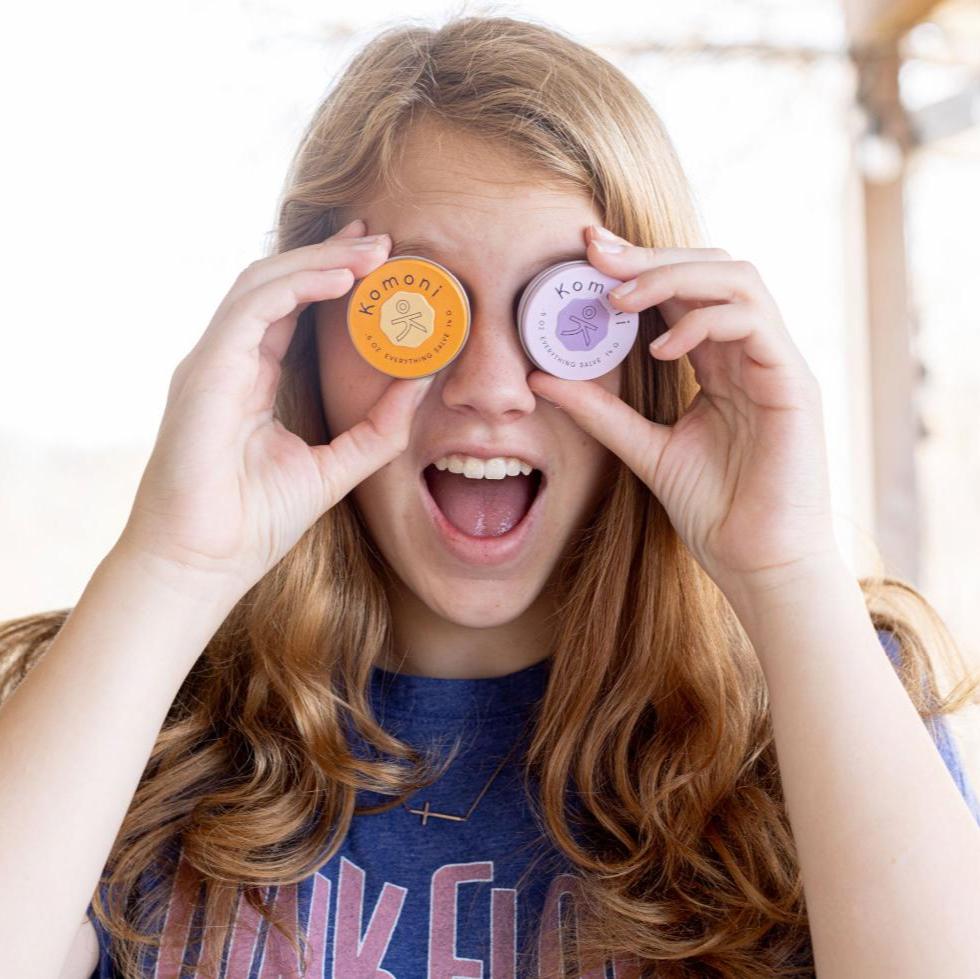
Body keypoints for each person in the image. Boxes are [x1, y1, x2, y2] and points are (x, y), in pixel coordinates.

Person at [1, 13, 979, 979]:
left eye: (569, 309)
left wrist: (788, 572)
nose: (488, 385)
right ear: (300, 337)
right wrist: (171, 565)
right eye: (419, 311)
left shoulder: (823, 702)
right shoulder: (119, 714)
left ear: (651, 347)